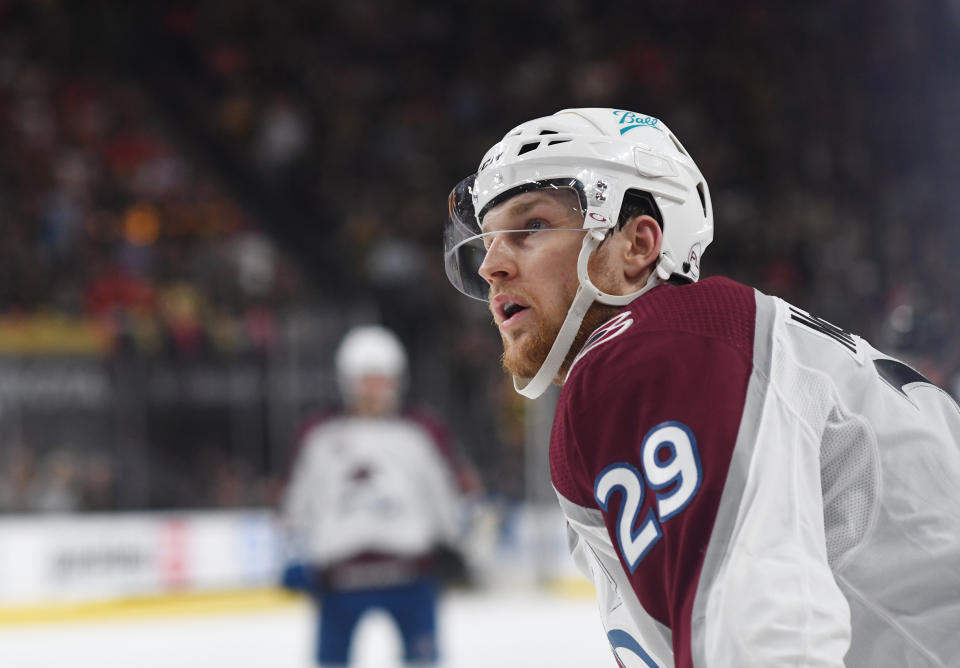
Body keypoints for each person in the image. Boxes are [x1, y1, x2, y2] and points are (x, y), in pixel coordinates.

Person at [443, 108, 960, 667]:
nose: (491, 265)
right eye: (489, 240)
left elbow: (761, 639)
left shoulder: (657, 349)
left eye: (531, 227)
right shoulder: (711, 348)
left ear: (638, 244)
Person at [281, 325, 478, 667]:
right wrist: (295, 553)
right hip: (339, 575)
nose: (373, 391)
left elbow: (443, 494)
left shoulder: (421, 432)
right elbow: (300, 501)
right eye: (365, 381)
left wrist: (453, 543)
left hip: (412, 573)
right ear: (347, 381)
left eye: (381, 380)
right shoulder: (319, 436)